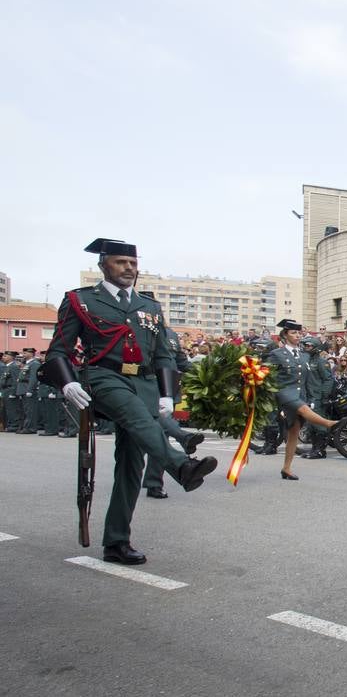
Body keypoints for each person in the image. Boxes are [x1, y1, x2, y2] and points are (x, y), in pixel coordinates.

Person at [47, 238, 219, 565]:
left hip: (144, 381)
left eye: (133, 263)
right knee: (139, 419)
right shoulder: (81, 301)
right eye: (120, 263)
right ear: (103, 265)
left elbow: (164, 355)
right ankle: (181, 466)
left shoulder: (149, 306)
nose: (129, 268)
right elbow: (59, 350)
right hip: (104, 377)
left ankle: (116, 541)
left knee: (131, 464)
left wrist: (167, 393)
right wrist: (67, 383)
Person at [267, 320, 340, 479]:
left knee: (294, 431)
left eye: (299, 333)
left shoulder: (304, 355)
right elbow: (264, 373)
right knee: (303, 410)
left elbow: (308, 380)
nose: (297, 336)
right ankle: (329, 424)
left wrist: (312, 396)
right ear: (285, 335)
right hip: (284, 392)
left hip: (300, 394)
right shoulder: (276, 354)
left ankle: (286, 468)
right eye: (294, 333)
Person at [141, 327, 206, 497]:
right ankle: (184, 437)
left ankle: (154, 482)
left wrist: (208, 369)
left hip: (168, 391)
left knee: (161, 436)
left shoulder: (170, 335)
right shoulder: (137, 327)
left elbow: (181, 362)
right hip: (147, 387)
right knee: (141, 441)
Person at [300, 335, 336, 460]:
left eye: (309, 345)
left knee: (318, 424)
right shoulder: (305, 361)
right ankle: (314, 448)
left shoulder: (321, 361)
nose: (306, 348)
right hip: (307, 397)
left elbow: (328, 380)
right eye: (305, 345)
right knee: (310, 424)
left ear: (315, 347)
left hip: (317, 397)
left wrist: (324, 396)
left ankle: (320, 450)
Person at [0, 351, 18, 431]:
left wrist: (13, 392)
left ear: (11, 357)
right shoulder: (8, 366)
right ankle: (9, 424)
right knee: (7, 409)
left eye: (5, 356)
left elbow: (15, 380)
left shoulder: (13, 366)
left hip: (10, 389)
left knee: (11, 409)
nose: (3, 357)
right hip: (5, 389)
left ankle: (14, 425)